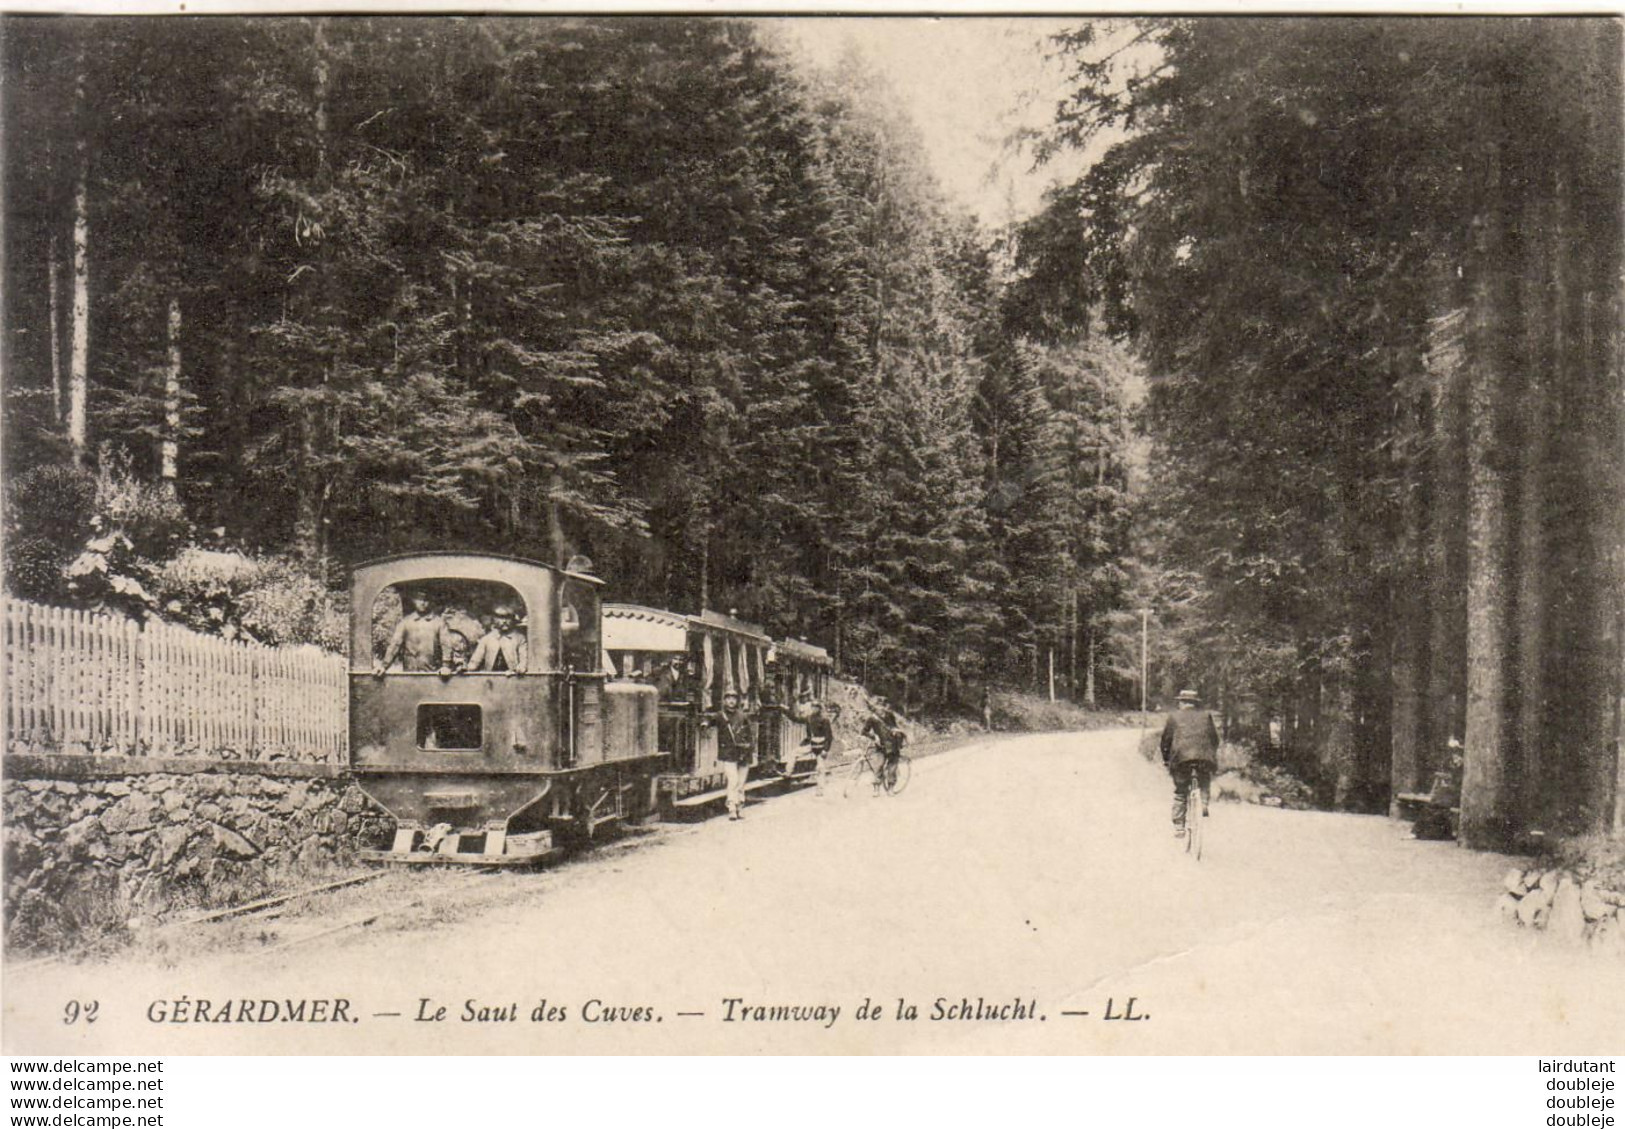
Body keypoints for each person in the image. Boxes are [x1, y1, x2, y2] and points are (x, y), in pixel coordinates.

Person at [1160, 688, 1219, 837]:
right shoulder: (1206, 716)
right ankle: (1203, 803)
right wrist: (1211, 754)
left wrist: (1166, 760)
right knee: (1204, 782)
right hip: (1204, 758)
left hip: (1181, 760)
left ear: (1182, 703)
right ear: (1195, 703)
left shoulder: (1173, 716)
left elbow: (1165, 741)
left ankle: (1179, 826)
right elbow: (1214, 739)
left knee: (1180, 791)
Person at [375, 588, 453, 676]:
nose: (422, 603)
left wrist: (446, 666)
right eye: (419, 599)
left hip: (432, 673)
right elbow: (395, 644)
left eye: (426, 600)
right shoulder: (405, 622)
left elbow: (446, 645)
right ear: (414, 600)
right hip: (410, 672)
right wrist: (384, 666)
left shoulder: (439, 622)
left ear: (430, 601)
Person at [714, 689, 754, 820]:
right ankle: (731, 807)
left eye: (734, 698)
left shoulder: (743, 716)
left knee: (741, 782)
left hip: (744, 753)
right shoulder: (721, 716)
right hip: (729, 753)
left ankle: (739, 807)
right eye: (728, 698)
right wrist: (704, 724)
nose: (731, 701)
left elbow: (750, 735)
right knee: (733, 780)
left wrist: (750, 749)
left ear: (737, 701)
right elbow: (710, 721)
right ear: (724, 700)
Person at [465, 603, 527, 674]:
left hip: (512, 678)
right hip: (490, 680)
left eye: (508, 617)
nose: (504, 621)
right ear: (494, 619)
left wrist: (520, 668)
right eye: (501, 617)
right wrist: (466, 668)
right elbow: (474, 662)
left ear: (512, 619)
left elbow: (523, 660)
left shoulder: (520, 638)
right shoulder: (486, 639)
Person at [861, 707, 906, 795]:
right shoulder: (872, 718)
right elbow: (864, 731)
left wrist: (895, 731)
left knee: (892, 768)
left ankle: (891, 788)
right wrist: (874, 736)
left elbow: (894, 726)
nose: (881, 708)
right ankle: (876, 788)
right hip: (880, 746)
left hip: (893, 744)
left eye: (883, 706)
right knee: (878, 766)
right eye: (878, 706)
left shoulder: (889, 715)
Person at [799, 699, 835, 796]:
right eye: (813, 707)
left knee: (820, 768)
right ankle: (787, 772)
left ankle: (820, 790)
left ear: (819, 709)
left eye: (816, 707)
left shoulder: (824, 720)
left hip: (821, 746)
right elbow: (808, 734)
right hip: (812, 744)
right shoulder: (809, 718)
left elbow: (829, 737)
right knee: (794, 753)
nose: (814, 709)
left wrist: (825, 750)